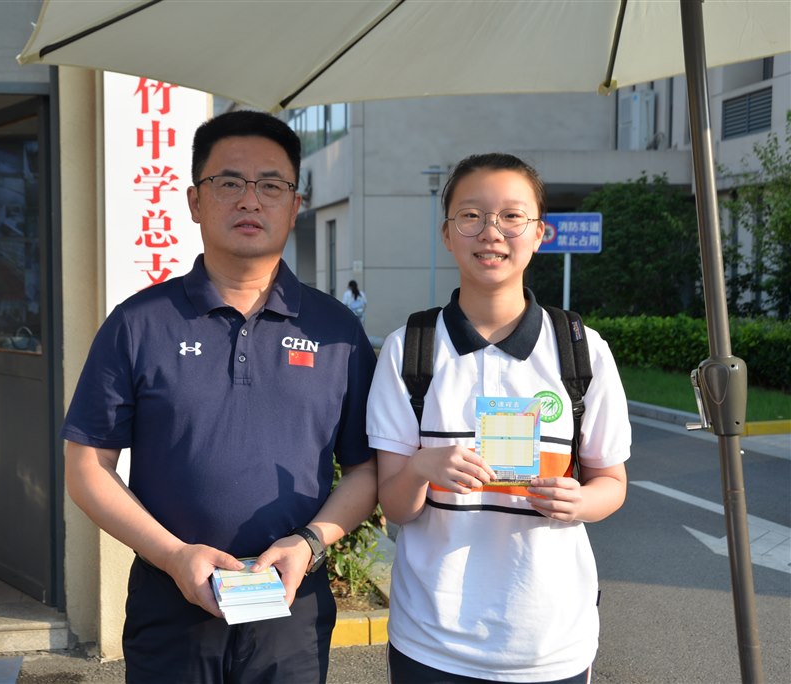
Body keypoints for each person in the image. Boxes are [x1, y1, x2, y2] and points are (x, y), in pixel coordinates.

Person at [61, 110, 378, 684]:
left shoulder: (337, 332)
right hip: (169, 606)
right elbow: (87, 467)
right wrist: (172, 555)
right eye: (229, 182)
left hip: (292, 608)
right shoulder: (138, 323)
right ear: (194, 201)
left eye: (271, 186)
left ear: (295, 205)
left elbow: (366, 469)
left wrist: (310, 543)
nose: (250, 200)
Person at [367, 153, 630, 683]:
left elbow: (612, 482)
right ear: (447, 234)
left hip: (550, 645)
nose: (491, 231)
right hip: (431, 641)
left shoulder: (582, 350)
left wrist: (582, 501)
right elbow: (395, 507)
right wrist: (421, 468)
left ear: (539, 233)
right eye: (471, 215)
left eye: (512, 216)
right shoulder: (409, 349)